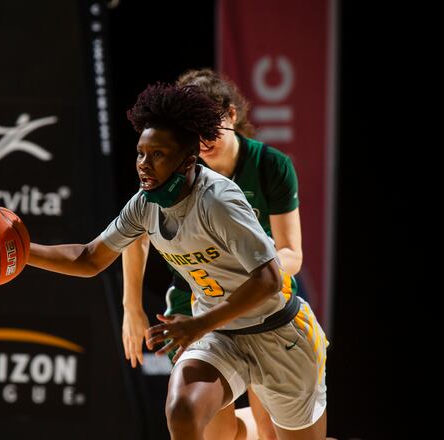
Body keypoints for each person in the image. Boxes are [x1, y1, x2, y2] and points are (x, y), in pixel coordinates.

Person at [28, 83, 328, 440]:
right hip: (220, 336)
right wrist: (20, 252)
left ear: (187, 159)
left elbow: (268, 280)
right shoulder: (144, 204)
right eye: (140, 153)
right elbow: (90, 258)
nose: (144, 164)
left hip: (278, 333)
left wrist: (198, 324)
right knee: (182, 412)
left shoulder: (218, 200)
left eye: (157, 154)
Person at [121, 68, 304, 440]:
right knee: (214, 432)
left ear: (232, 115)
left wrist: (250, 273)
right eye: (194, 133)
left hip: (260, 307)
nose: (204, 141)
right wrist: (131, 307)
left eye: (211, 127)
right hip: (196, 305)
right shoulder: (180, 165)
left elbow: (290, 253)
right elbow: (135, 233)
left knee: (272, 431)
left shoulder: (270, 166)